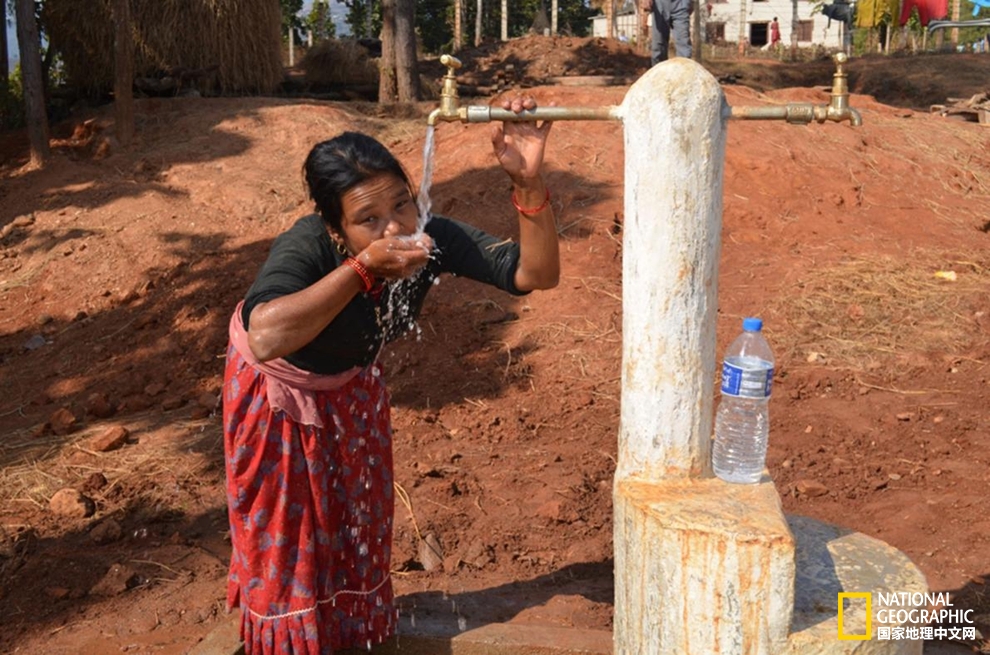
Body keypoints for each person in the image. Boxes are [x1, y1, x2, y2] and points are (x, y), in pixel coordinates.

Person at [221, 96, 559, 655]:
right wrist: (362, 270)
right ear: (334, 226)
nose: (396, 227)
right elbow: (267, 335)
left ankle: (352, 638)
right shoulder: (307, 246)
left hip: (351, 389)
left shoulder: (429, 237)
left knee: (357, 532)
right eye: (368, 220)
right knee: (291, 549)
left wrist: (528, 183)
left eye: (402, 204)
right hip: (280, 400)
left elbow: (536, 273)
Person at [641, 0, 693, 66]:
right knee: (658, 47)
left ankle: (684, 73)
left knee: (684, 46)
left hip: (681, 4)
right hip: (660, 4)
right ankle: (659, 74)